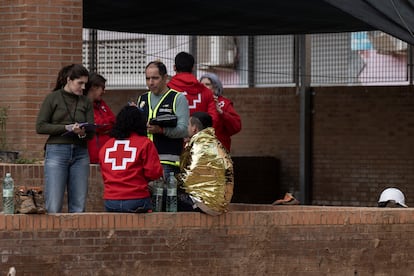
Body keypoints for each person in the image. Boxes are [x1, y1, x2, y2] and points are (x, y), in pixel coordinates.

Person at [36, 64, 94, 213]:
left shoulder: (85, 101)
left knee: (79, 205)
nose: (82, 87)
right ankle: (53, 235)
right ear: (69, 80)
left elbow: (91, 131)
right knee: (54, 204)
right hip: (57, 150)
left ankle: (76, 235)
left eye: (85, 84)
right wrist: (66, 128)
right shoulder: (53, 98)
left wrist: (81, 132)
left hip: (80, 152)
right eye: (79, 83)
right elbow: (40, 126)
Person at [98, 106, 163, 213]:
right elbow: (154, 173)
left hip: (111, 201)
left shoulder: (107, 146)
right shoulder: (144, 143)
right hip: (137, 200)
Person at [136, 61, 189, 179]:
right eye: (147, 78)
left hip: (167, 162)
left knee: (164, 197)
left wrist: (161, 130)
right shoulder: (142, 98)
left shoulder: (177, 98)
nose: (151, 82)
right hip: (144, 160)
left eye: (155, 78)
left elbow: (184, 130)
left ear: (165, 78)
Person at [178, 112, 234, 216]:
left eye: (188, 125)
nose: (187, 128)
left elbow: (187, 178)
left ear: (194, 128)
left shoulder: (199, 146)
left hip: (203, 204)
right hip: (220, 205)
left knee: (164, 194)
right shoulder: (218, 145)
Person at [168, 52, 220, 129]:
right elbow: (213, 120)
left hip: (174, 138)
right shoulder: (207, 92)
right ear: (192, 68)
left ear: (174, 67)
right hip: (200, 139)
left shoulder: (166, 90)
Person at [200, 73, 241, 151]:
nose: (204, 87)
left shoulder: (224, 103)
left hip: (219, 151)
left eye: (207, 84)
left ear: (215, 87)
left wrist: (221, 112)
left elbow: (236, 126)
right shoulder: (197, 102)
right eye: (202, 85)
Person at [84, 73, 116, 164]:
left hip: (106, 155)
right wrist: (107, 125)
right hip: (92, 156)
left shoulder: (101, 104)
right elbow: (97, 125)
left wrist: (106, 125)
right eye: (102, 88)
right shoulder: (85, 105)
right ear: (93, 87)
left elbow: (114, 120)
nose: (104, 92)